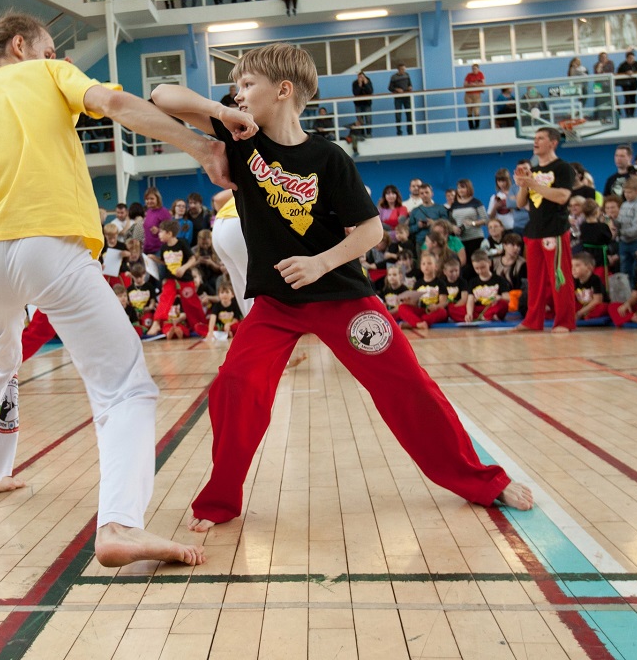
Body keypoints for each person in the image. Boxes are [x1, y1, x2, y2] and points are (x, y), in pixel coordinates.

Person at [149, 44, 533, 532]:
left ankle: (481, 481)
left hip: (343, 298)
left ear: (283, 91)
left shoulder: (329, 157)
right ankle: (220, 500)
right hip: (275, 304)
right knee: (235, 387)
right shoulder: (241, 139)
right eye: (235, 88)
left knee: (409, 387)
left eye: (247, 86)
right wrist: (222, 112)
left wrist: (320, 262)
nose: (238, 95)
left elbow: (371, 231)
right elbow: (162, 96)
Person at [0, 11, 253, 567]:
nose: (59, 59)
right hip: (47, 247)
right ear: (21, 46)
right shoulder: (47, 73)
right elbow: (118, 106)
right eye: (51, 49)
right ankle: (121, 524)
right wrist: (200, 146)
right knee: (125, 387)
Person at [515, 127, 576, 333]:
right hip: (533, 231)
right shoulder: (534, 170)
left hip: (555, 230)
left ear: (553, 142)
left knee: (560, 277)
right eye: (535, 138)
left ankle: (565, 322)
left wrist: (534, 183)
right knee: (535, 281)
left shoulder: (563, 168)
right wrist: (524, 183)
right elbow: (521, 202)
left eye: (540, 138)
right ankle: (532, 321)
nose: (536, 141)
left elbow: (562, 196)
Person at [211, 189, 251, 316]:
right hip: (241, 223)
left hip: (220, 223)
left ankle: (253, 331)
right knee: (256, 286)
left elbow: (217, 199)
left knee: (243, 288)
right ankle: (262, 332)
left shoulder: (257, 174)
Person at [451, 179, 487, 263]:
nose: (460, 190)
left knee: (475, 261)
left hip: (475, 237)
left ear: (469, 188)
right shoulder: (454, 204)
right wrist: (453, 227)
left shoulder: (476, 202)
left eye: (463, 187)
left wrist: (473, 223)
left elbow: (486, 220)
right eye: (458, 188)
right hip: (460, 239)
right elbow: (451, 221)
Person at [409, 183, 449, 247]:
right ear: (419, 195)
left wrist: (434, 223)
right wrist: (418, 226)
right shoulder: (415, 211)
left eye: (427, 192)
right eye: (422, 193)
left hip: (438, 242)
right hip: (421, 243)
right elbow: (409, 229)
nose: (424, 195)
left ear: (432, 194)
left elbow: (447, 225)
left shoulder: (441, 208)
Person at [571, 252, 608, 321]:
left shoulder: (595, 279)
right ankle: (584, 316)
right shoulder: (574, 280)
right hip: (583, 306)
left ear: (588, 268)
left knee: (602, 307)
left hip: (594, 306)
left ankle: (586, 316)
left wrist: (580, 313)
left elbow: (597, 300)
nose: (573, 269)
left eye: (577, 265)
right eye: (572, 266)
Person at [388, 63, 413, 136]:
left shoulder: (407, 75)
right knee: (398, 115)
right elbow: (390, 88)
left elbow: (410, 84)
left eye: (404, 69)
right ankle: (399, 132)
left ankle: (410, 132)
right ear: (398, 69)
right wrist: (396, 89)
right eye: (402, 69)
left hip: (407, 97)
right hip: (398, 98)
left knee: (409, 115)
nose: (403, 71)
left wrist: (410, 87)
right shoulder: (393, 77)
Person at [616, 52, 637, 117]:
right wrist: (626, 73)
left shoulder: (636, 64)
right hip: (625, 84)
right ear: (627, 58)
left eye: (632, 58)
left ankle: (632, 113)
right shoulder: (623, 65)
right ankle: (628, 114)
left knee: (633, 99)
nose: (631, 59)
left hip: (634, 83)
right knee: (627, 99)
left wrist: (633, 72)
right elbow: (618, 73)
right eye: (630, 58)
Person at [463, 64, 485, 130]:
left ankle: (477, 126)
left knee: (476, 111)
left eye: (475, 68)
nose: (474, 70)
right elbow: (465, 84)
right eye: (473, 69)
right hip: (468, 95)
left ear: (478, 69)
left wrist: (474, 84)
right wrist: (473, 84)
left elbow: (483, 84)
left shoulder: (480, 74)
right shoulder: (469, 75)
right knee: (469, 111)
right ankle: (471, 126)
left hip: (477, 95)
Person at [352, 71, 374, 137]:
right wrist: (359, 85)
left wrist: (366, 84)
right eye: (359, 77)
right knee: (360, 119)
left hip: (367, 103)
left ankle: (368, 134)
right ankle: (361, 134)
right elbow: (355, 93)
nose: (361, 78)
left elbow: (370, 91)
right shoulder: (355, 83)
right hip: (358, 104)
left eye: (362, 77)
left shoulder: (368, 81)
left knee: (368, 119)